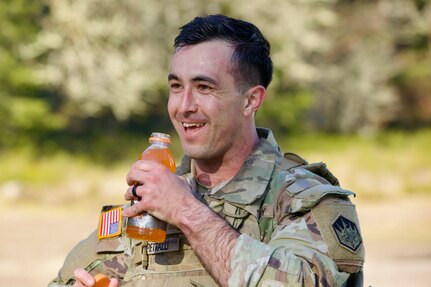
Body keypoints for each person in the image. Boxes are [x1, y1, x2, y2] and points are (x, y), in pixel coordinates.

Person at [48, 14, 364, 287]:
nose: (184, 107)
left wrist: (186, 211)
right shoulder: (151, 202)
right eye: (176, 87)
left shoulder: (305, 203)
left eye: (204, 87)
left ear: (251, 100)